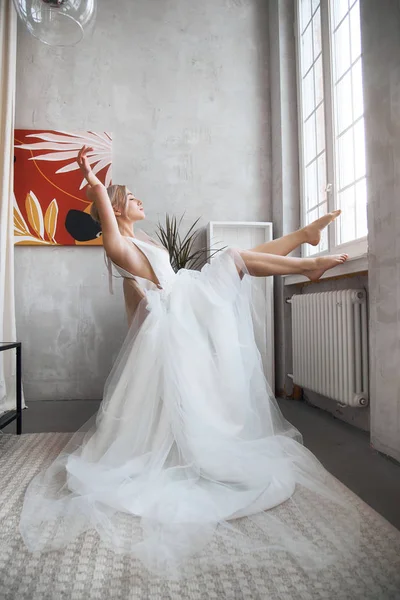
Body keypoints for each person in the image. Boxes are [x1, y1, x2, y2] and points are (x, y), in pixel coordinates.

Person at [18, 146, 360, 580]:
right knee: (234, 259)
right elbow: (110, 237)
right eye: (133, 197)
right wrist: (96, 183)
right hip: (183, 307)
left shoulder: (142, 241)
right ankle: (307, 260)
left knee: (237, 259)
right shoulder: (121, 247)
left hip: (188, 297)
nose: (141, 200)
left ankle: (303, 243)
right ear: (119, 208)